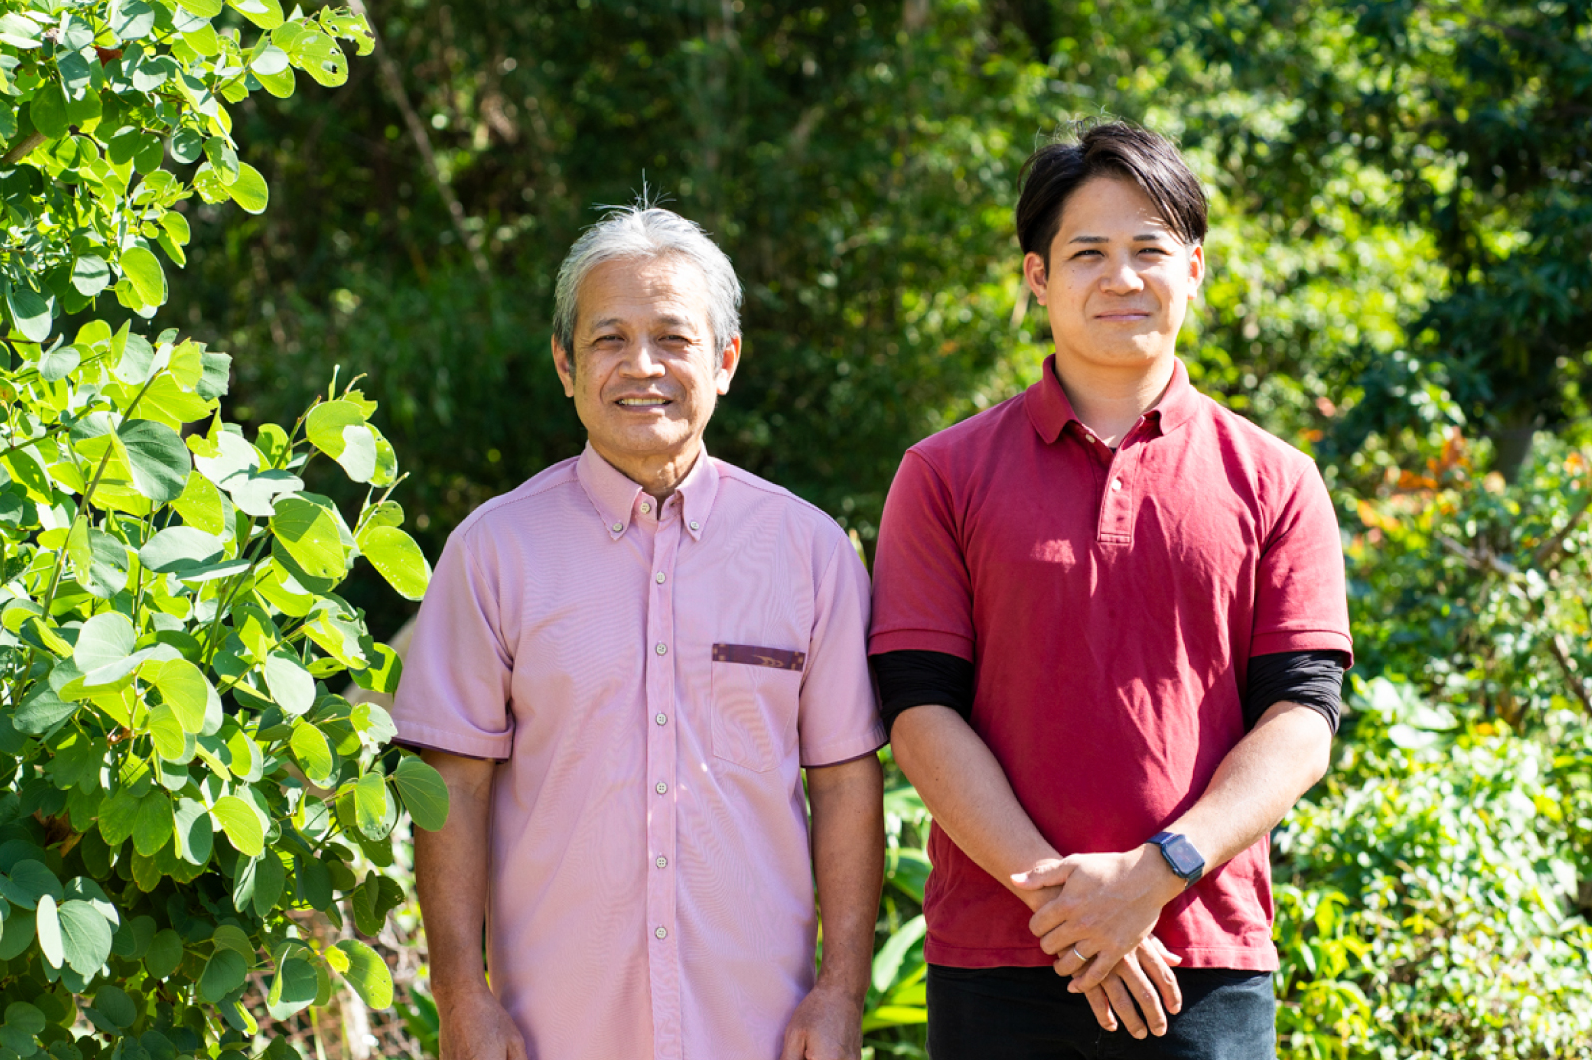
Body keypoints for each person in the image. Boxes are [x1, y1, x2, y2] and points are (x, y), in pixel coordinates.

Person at [869, 121, 1351, 1059]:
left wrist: (1151, 878)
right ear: (1037, 277)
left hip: (1201, 962)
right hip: (999, 960)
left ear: (1197, 268)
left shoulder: (1277, 479)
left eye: (1150, 251)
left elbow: (1302, 717)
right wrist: (1069, 902)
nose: (1121, 278)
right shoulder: (942, 474)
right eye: (1087, 252)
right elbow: (919, 710)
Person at [391, 204, 886, 1060]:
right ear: (564, 363)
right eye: (609, 339)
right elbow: (453, 789)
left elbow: (845, 784)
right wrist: (460, 997)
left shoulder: (809, 553)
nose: (641, 366)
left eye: (673, 338)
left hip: (759, 1031)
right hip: (554, 1032)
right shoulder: (492, 552)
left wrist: (841, 991)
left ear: (726, 359)